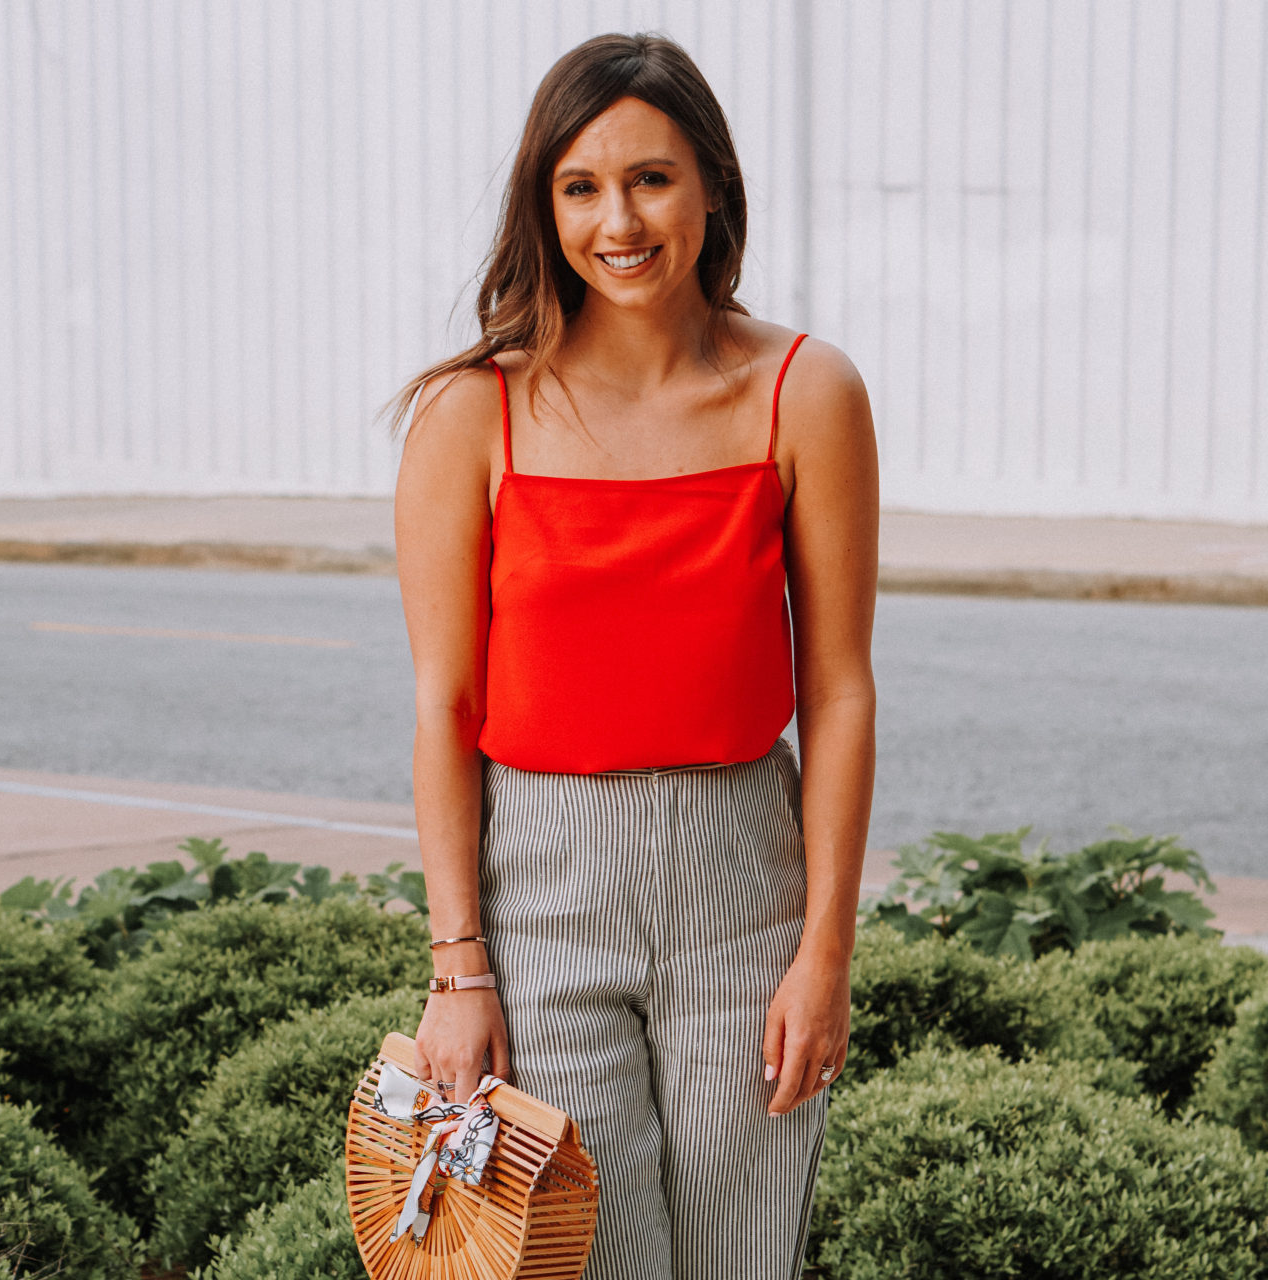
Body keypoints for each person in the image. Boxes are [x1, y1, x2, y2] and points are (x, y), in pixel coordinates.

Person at [382, 30, 878, 1280]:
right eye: (580, 186)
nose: (620, 219)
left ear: (710, 184)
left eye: (651, 178)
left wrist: (824, 951)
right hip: (540, 895)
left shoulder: (803, 392)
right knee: (576, 1262)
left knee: (741, 1261)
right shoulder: (470, 412)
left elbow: (837, 686)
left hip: (739, 891)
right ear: (543, 207)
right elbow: (441, 705)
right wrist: (457, 969)